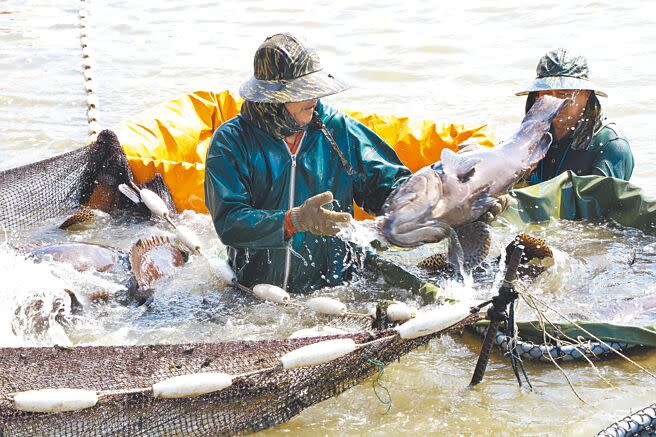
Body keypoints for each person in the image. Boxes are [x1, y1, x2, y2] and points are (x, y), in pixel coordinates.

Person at [204, 33, 413, 293]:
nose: (314, 98)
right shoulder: (231, 141)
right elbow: (230, 222)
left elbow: (388, 185)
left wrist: (425, 202)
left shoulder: (337, 129)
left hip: (336, 290)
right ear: (272, 98)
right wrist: (294, 221)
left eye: (315, 87)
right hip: (254, 291)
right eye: (303, 91)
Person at [516, 48, 634, 184]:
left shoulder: (610, 145)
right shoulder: (529, 139)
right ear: (537, 96)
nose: (555, 101)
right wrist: (522, 177)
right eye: (547, 94)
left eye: (564, 94)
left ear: (586, 94)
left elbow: (598, 203)